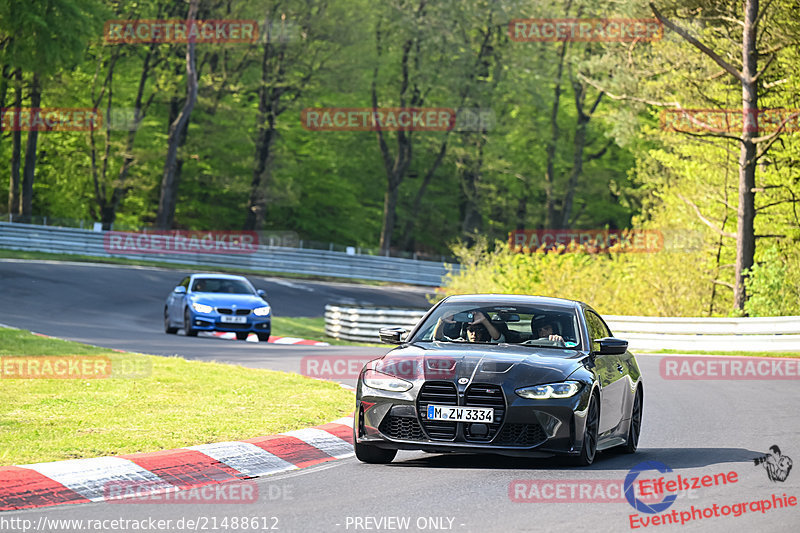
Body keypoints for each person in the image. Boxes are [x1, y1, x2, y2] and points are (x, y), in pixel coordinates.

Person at [434, 311, 505, 343]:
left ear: (484, 331)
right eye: (471, 330)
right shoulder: (459, 343)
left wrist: (485, 321)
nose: (474, 334)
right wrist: (442, 321)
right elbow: (438, 339)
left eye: (478, 330)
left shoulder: (490, 345)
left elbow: (498, 339)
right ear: (465, 331)